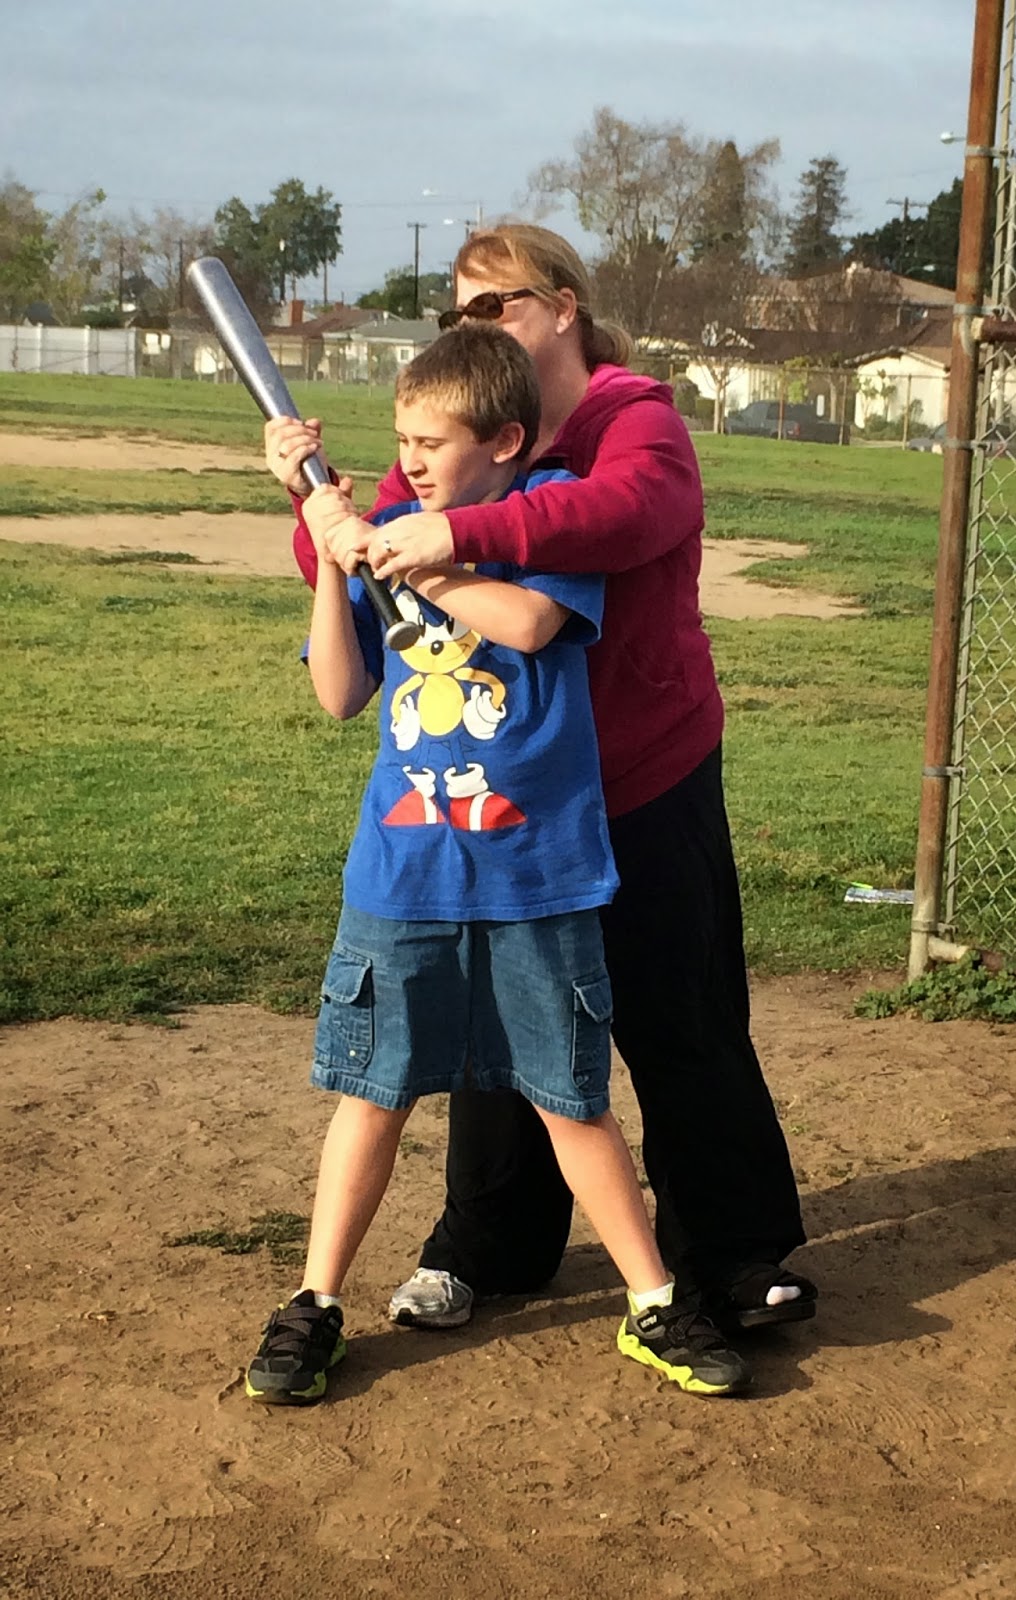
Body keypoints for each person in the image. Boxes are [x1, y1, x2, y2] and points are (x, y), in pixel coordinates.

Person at [268, 224, 816, 1347]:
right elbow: (370, 565)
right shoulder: (454, 431)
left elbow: (624, 516)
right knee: (501, 1032)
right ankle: (492, 1243)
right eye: (457, 312)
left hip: (646, 766)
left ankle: (731, 1250)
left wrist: (451, 533)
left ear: (564, 306)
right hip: (498, 793)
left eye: (497, 303)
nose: (474, 326)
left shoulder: (632, 419)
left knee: (681, 1011)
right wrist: (318, 511)